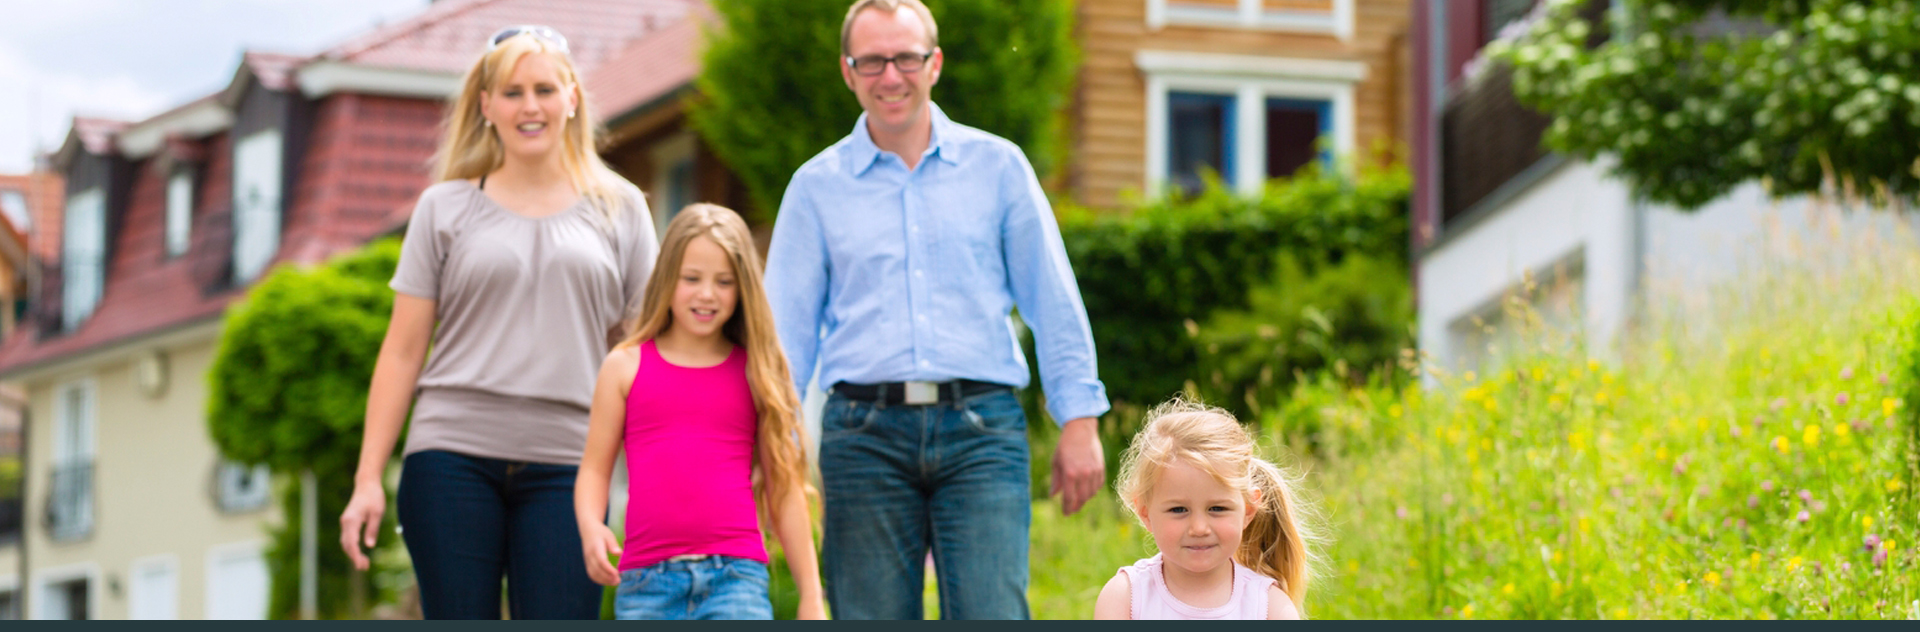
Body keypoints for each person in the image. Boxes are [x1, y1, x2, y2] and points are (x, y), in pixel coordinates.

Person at [762, 0, 1110, 619]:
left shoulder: (998, 166)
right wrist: (774, 444)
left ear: (935, 63)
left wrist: (1078, 419)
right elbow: (783, 337)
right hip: (861, 436)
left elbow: (1051, 298)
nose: (890, 75)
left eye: (906, 58)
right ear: (848, 71)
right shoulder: (815, 188)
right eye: (871, 61)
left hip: (982, 431)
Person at [337, 25, 658, 620]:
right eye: (512, 92)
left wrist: (655, 481)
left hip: (571, 465)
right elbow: (403, 351)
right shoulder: (444, 208)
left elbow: (642, 359)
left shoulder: (623, 209)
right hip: (450, 457)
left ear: (572, 98)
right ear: (485, 106)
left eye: (543, 88)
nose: (529, 106)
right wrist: (366, 480)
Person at [573, 204, 827, 620]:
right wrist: (590, 527)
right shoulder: (624, 366)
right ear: (667, 278)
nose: (706, 293)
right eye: (692, 278)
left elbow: (785, 486)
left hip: (736, 581)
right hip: (646, 585)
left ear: (742, 288)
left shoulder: (755, 370)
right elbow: (595, 469)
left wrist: (811, 597)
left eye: (723, 282)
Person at [1093, 397, 1318, 620]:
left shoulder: (1269, 607)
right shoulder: (1126, 598)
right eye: (1179, 510)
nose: (1199, 528)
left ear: (1248, 510)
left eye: (1217, 508)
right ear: (1145, 513)